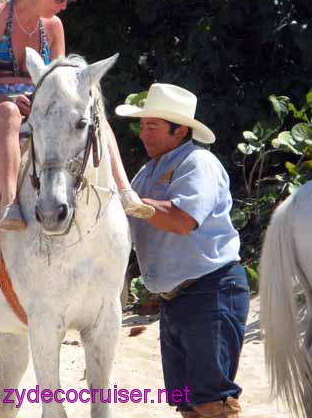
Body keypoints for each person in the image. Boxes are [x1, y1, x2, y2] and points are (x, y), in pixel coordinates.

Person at [0, 0, 154, 231]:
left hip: (36, 115)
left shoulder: (53, 27)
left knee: (89, 110)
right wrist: (10, 100)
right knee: (8, 116)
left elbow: (60, 87)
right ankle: (11, 205)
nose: (63, 6)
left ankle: (125, 191)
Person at [115, 83, 250, 418]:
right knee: (187, 403)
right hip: (177, 299)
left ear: (181, 131)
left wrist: (136, 204)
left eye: (153, 126)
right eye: (142, 126)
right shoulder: (148, 171)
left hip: (210, 290)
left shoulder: (198, 162)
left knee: (212, 401)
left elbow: (183, 220)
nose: (143, 134)